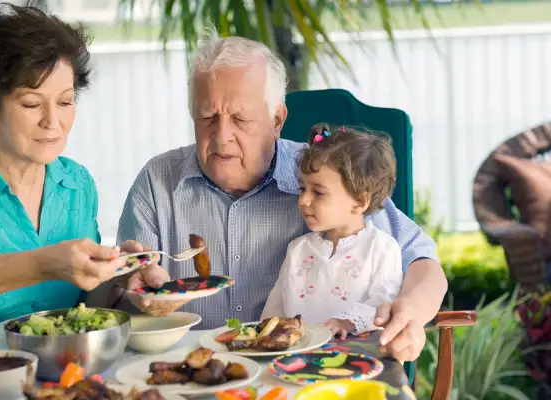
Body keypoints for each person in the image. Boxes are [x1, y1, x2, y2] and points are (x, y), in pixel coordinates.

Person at [113, 34, 448, 362]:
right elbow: (117, 301)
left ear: (277, 120)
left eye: (240, 119)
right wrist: (131, 288)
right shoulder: (157, 182)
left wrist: (411, 314)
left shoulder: (324, 178)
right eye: (206, 118)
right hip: (191, 370)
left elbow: (423, 262)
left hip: (299, 374)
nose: (221, 137)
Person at [0, 2, 131, 338]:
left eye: (64, 101)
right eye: (32, 103)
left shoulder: (77, 184)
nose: (53, 122)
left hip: (60, 369)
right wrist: (43, 263)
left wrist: (117, 275)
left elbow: (85, 304)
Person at [261, 123, 403, 340]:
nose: (303, 200)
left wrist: (345, 323)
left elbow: (384, 304)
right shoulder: (297, 249)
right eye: (302, 188)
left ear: (359, 202)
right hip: (295, 363)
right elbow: (274, 312)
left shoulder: (382, 248)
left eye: (318, 192)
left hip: (357, 362)